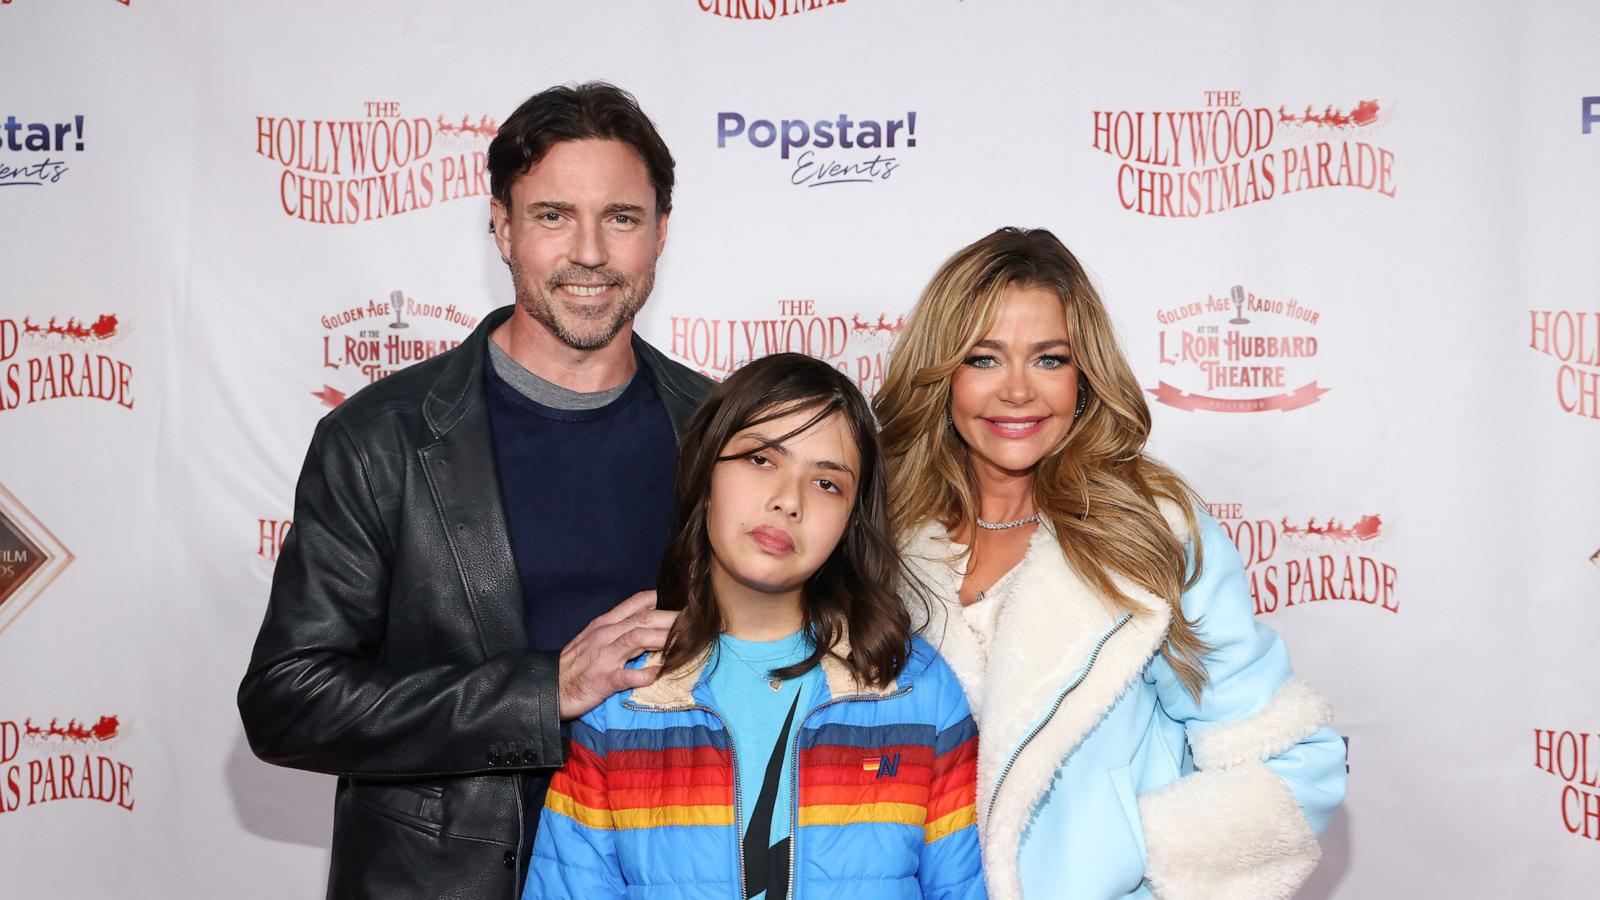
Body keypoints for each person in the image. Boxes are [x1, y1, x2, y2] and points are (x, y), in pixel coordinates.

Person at [237, 82, 711, 900]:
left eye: (622, 218)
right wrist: (545, 690)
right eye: (553, 215)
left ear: (661, 232)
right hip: (442, 881)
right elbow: (289, 701)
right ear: (502, 226)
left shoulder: (726, 432)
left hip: (670, 870)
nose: (590, 252)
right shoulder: (381, 438)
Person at [873, 228, 1347, 900]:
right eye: (983, 359)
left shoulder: (1152, 531)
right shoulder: (877, 540)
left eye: (1048, 359)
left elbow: (1291, 765)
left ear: (1085, 375)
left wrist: (1135, 880)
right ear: (941, 374)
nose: (1016, 391)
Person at [523, 353, 985, 900]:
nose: (788, 501)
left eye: (827, 484)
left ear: (852, 521)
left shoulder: (915, 689)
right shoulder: (628, 697)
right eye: (762, 460)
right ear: (706, 472)